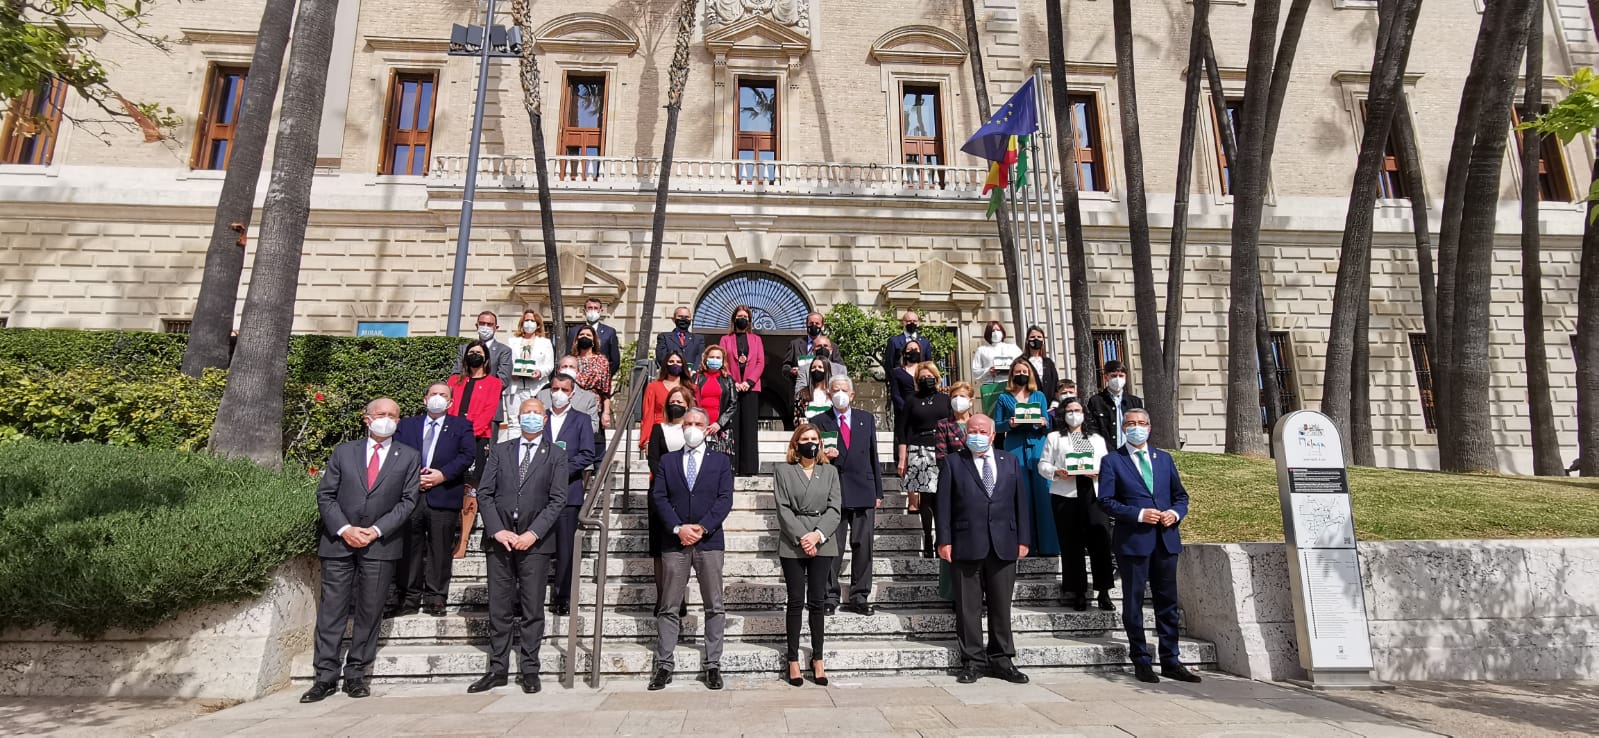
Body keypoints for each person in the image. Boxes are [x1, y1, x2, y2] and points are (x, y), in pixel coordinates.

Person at [301, 398, 421, 703]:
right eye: (382, 414)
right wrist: (345, 529)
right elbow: (326, 494)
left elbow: (408, 502)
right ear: (367, 419)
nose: (388, 419)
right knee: (332, 611)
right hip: (339, 541)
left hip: (380, 544)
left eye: (394, 415)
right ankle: (324, 676)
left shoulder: (408, 456)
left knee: (370, 611)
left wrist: (377, 530)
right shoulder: (345, 451)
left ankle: (356, 674)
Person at [467, 397, 569, 695]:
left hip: (534, 544)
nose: (532, 418)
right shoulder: (500, 451)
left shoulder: (556, 455)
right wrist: (497, 530)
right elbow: (484, 493)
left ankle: (529, 669)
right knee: (499, 607)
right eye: (527, 413)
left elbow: (558, 499)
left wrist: (533, 533)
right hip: (500, 541)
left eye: (537, 413)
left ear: (545, 419)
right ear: (518, 417)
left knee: (532, 607)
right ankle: (497, 668)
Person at [1096, 408, 1202, 685]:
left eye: (1141, 423)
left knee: (1167, 602)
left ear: (1149, 427)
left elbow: (1181, 496)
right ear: (1123, 428)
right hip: (1133, 542)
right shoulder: (1112, 461)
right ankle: (1140, 659)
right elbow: (1105, 500)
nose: (1136, 428)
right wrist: (1138, 514)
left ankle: (1171, 659)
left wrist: (1175, 513)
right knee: (1133, 603)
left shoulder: (1164, 459)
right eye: (1131, 424)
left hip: (1166, 540)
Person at [935, 413, 1031, 685]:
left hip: (1004, 543)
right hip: (966, 543)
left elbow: (1020, 502)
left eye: (982, 430)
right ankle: (972, 660)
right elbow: (944, 505)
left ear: (992, 435)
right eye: (971, 430)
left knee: (1001, 605)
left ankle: (1002, 658)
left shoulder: (1009, 461)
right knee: (968, 607)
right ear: (966, 435)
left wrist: (1023, 539)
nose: (976, 434)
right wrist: (944, 540)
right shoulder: (954, 462)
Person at [649, 408, 734, 692]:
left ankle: (712, 665)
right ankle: (664, 664)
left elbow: (724, 499)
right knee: (669, 605)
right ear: (681, 426)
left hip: (709, 542)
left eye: (698, 423)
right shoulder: (668, 461)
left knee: (715, 605)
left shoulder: (721, 461)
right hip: (675, 542)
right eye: (688, 423)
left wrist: (702, 527)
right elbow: (659, 497)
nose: (693, 427)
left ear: (707, 427)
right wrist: (678, 528)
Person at [389, 383, 477, 618]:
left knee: (440, 549)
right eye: (434, 394)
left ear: (450, 402)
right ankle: (408, 597)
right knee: (410, 548)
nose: (438, 398)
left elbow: (467, 455)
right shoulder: (406, 426)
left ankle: (436, 597)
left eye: (443, 395)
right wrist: (412, 476)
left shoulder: (461, 426)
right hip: (411, 495)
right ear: (425, 399)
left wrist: (442, 475)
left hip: (444, 494)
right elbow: (395, 452)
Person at [772, 424, 841, 687]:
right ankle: (792, 659)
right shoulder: (783, 471)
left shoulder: (830, 472)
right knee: (795, 601)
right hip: (793, 542)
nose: (810, 443)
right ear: (795, 444)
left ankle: (818, 659)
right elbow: (783, 507)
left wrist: (817, 536)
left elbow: (835, 508)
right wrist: (803, 536)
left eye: (814, 439)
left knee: (817, 601)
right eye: (805, 439)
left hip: (823, 541)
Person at [811, 376, 883, 616]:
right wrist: (823, 456)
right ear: (829, 395)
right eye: (835, 390)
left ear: (852, 395)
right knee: (833, 546)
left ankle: (860, 595)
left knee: (863, 546)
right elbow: (810, 459)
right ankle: (830, 595)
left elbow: (874, 456)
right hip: (834, 491)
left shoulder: (866, 419)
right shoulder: (819, 422)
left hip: (864, 488)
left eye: (844, 390)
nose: (840, 394)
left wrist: (878, 492)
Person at [1038, 396, 1114, 612]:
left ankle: (1104, 592)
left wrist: (1097, 473)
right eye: (1069, 410)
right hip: (1065, 493)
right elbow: (1043, 464)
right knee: (1071, 544)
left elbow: (1107, 465)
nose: (1074, 414)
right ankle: (1078, 591)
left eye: (1077, 409)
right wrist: (1056, 472)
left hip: (1093, 493)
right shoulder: (1054, 438)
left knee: (1100, 542)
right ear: (1063, 414)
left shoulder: (1097, 439)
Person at [993, 358, 1058, 557]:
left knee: (1043, 493)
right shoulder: (1004, 398)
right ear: (1012, 374)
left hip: (1037, 444)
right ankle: (1024, 545)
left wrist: (1041, 422)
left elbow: (1047, 423)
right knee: (1022, 495)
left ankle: (1049, 546)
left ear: (1030, 374)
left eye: (1025, 370)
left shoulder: (1038, 395)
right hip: (1015, 445)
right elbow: (997, 425)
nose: (1021, 373)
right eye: (1017, 370)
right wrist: (1009, 424)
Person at [546, 375, 597, 617]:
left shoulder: (582, 420)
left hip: (568, 491)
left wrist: (560, 469)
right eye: (555, 388)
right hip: (537, 494)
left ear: (572, 393)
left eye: (563, 389)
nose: (558, 393)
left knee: (566, 549)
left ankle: (562, 597)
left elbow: (587, 454)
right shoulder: (540, 417)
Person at [646, 386, 698, 620]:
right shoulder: (659, 429)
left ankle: (680, 597)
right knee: (660, 549)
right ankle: (661, 598)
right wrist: (669, 481)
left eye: (680, 401)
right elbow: (654, 460)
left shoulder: (693, 430)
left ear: (688, 405)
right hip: (660, 493)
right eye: (672, 400)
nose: (675, 404)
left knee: (681, 549)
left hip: (686, 496)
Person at [898, 361, 950, 558]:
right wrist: (902, 458)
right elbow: (902, 430)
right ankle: (928, 538)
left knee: (941, 497)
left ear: (936, 378)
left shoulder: (945, 400)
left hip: (942, 448)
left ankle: (941, 538)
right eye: (922, 377)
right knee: (925, 497)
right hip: (918, 449)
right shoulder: (911, 400)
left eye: (930, 377)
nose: (926, 380)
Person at [931, 382, 976, 601]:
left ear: (971, 400)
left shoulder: (979, 424)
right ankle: (952, 594)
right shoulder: (944, 425)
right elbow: (941, 457)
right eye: (954, 395)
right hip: (953, 485)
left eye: (962, 396)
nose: (958, 400)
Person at [448, 341, 505, 486]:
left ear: (486, 358)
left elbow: (488, 412)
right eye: (471, 352)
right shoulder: (454, 381)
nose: (475, 355)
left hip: (477, 437)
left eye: (479, 353)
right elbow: (449, 406)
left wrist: (468, 433)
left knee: (472, 480)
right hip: (452, 435)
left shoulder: (494, 383)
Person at [719, 304, 764, 477]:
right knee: (733, 426)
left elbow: (760, 362)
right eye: (739, 316)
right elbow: (723, 361)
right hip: (732, 388)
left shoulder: (756, 339)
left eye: (745, 316)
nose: (742, 318)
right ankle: (733, 466)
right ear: (734, 319)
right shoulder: (725, 339)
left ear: (749, 320)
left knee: (749, 428)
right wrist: (734, 382)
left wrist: (749, 382)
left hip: (751, 389)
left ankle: (749, 468)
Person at [454, 311, 514, 425]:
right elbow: (456, 375)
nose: (485, 327)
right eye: (482, 323)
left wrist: (479, 392)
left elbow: (503, 380)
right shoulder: (464, 348)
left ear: (496, 328)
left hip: (490, 409)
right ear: (477, 326)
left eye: (489, 324)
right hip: (462, 407)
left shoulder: (504, 351)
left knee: (488, 443)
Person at [639, 350, 698, 451]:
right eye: (671, 361)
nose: (675, 364)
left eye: (678, 362)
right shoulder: (653, 387)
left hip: (683, 433)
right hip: (659, 433)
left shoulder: (691, 388)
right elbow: (648, 415)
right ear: (665, 364)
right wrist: (646, 440)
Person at [504, 309, 555, 423]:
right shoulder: (512, 341)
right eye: (526, 320)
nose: (529, 323)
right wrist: (512, 372)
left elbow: (549, 365)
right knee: (514, 422)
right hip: (515, 388)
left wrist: (539, 372)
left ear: (537, 325)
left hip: (536, 388)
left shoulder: (545, 343)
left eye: (532, 320)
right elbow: (507, 362)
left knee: (535, 420)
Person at [779, 312, 827, 431]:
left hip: (823, 394)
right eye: (811, 323)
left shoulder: (830, 345)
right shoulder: (795, 344)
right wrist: (792, 371)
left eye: (817, 323)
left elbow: (839, 367)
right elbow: (785, 368)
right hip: (802, 395)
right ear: (806, 324)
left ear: (822, 326)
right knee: (802, 429)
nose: (814, 326)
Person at [1085, 360, 1144, 450]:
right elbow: (1092, 429)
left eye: (1121, 376)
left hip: (1130, 451)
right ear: (1106, 377)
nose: (1117, 379)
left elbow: (1141, 427)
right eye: (1113, 376)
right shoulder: (1096, 401)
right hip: (1105, 452)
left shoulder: (1135, 402)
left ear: (1125, 377)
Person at [694, 345, 739, 460]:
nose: (715, 360)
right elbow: (691, 400)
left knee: (720, 464)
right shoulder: (696, 378)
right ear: (705, 359)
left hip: (721, 429)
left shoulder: (728, 380)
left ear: (723, 360)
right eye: (712, 357)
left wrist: (719, 423)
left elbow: (733, 404)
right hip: (699, 427)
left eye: (718, 358)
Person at [537, 356, 601, 434]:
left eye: (571, 367)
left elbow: (594, 426)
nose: (568, 369)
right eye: (564, 366)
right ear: (558, 371)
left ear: (578, 371)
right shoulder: (542, 395)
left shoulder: (588, 398)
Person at [572, 324, 614, 436]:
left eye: (588, 335)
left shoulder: (601, 361)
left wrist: (606, 412)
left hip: (594, 407)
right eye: (581, 335)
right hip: (573, 405)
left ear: (594, 340)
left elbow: (606, 391)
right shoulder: (571, 360)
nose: (584, 337)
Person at [568, 297, 621, 377]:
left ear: (601, 311)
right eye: (590, 308)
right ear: (584, 310)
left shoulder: (609, 332)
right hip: (577, 378)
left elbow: (615, 361)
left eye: (596, 308)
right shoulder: (573, 331)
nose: (593, 311)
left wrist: (604, 376)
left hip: (600, 379)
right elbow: (568, 355)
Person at [789, 335, 848, 400]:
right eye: (818, 346)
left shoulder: (841, 370)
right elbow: (799, 393)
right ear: (813, 351)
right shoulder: (803, 369)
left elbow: (843, 393)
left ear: (831, 350)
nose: (822, 348)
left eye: (825, 346)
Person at [970, 320, 1021, 389]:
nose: (996, 333)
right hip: (991, 386)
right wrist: (988, 370)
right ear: (988, 333)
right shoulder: (982, 350)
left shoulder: (1013, 348)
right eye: (992, 331)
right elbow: (975, 371)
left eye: (998, 330)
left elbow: (1022, 364)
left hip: (1011, 385)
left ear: (1002, 332)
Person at [886, 341, 921, 439]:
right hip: (904, 415)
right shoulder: (897, 372)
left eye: (916, 349)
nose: (913, 351)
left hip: (923, 415)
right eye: (910, 349)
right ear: (905, 353)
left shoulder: (925, 370)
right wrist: (907, 410)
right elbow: (895, 395)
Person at [654, 305, 706, 371]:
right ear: (673, 319)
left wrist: (692, 371)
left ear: (691, 319)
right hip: (671, 375)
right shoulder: (664, 337)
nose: (684, 319)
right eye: (680, 316)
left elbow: (700, 357)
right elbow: (661, 357)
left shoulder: (698, 339)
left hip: (691, 376)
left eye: (687, 317)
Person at [793, 356, 833, 428]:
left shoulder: (833, 393)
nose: (816, 369)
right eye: (813, 367)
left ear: (827, 370)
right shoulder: (802, 393)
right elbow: (797, 419)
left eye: (820, 367)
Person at [1022, 325, 1060, 402]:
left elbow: (1056, 385)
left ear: (1043, 341)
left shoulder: (1049, 363)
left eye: (1039, 337)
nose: (1036, 339)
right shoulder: (1021, 362)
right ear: (1027, 340)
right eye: (1032, 337)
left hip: (1049, 406)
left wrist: (1055, 402)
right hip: (1030, 405)